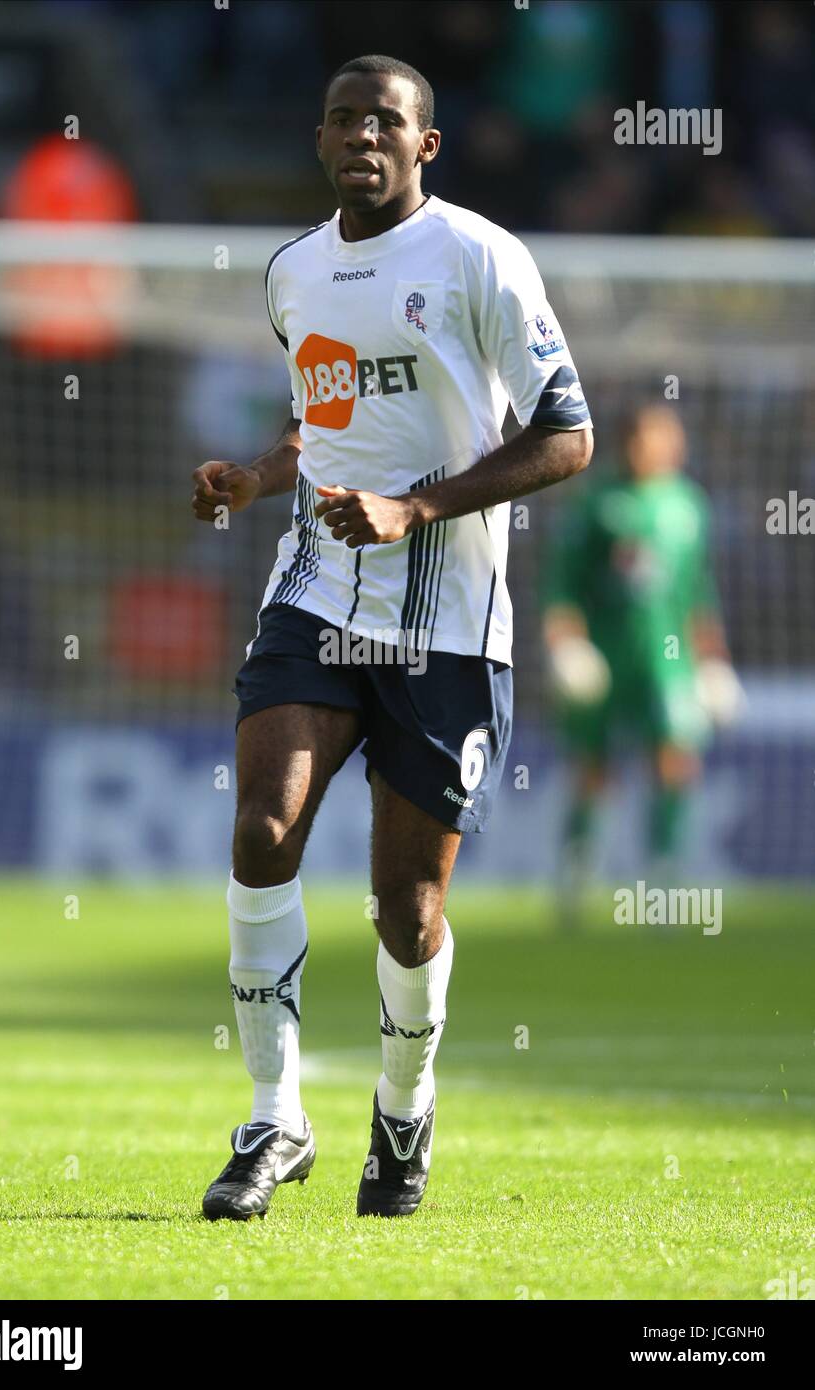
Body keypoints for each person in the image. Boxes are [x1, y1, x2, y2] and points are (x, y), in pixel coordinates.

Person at [192, 54, 593, 1220]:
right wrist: (254, 478)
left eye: (387, 119)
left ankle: (403, 1108)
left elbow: (566, 436)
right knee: (263, 827)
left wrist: (416, 506)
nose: (361, 133)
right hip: (316, 593)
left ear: (427, 145)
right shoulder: (291, 272)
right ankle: (273, 1119)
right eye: (342, 118)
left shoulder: (479, 257)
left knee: (405, 909)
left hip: (449, 626)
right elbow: (321, 420)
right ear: (319, 142)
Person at [542, 402, 743, 925]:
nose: (659, 448)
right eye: (649, 438)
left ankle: (663, 873)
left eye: (667, 438)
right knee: (594, 768)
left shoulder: (688, 505)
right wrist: (566, 643)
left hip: (668, 662)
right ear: (630, 442)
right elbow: (564, 583)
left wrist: (713, 660)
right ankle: (577, 872)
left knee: (674, 759)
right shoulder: (597, 501)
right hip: (609, 658)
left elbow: (698, 591)